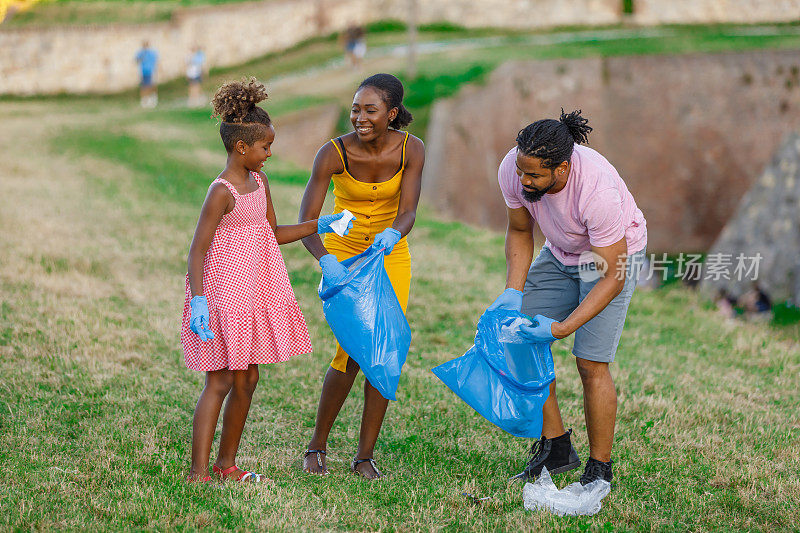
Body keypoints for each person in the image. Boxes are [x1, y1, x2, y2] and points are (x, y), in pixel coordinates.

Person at [181, 78, 352, 483]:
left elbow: (273, 233)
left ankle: (227, 465)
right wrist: (199, 300)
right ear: (242, 147)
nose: (269, 154)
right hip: (222, 293)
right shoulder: (221, 192)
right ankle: (198, 472)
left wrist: (321, 223)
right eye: (265, 147)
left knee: (249, 378)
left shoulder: (259, 182)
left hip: (255, 291)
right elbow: (197, 250)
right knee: (220, 379)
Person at [490, 109, 647, 486]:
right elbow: (519, 231)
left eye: (534, 175)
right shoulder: (514, 169)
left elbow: (610, 277)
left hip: (606, 260)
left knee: (590, 363)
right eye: (520, 171)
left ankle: (599, 468)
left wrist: (563, 327)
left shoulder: (597, 192)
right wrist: (513, 294)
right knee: (519, 337)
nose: (523, 180)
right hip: (561, 253)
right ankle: (557, 445)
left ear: (561, 169)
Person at [299, 73, 424, 479]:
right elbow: (308, 221)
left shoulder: (412, 149)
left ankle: (364, 457)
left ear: (391, 113)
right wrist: (326, 260)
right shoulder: (332, 153)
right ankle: (317, 445)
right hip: (345, 256)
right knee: (349, 351)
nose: (360, 117)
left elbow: (407, 211)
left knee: (384, 352)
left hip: (389, 255)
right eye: (355, 109)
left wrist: (395, 233)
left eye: (370, 110)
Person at [135, 41, 159, 108]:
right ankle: (144, 100)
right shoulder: (140, 53)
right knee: (143, 86)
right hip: (143, 71)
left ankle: (152, 98)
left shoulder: (152, 53)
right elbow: (136, 60)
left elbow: (156, 61)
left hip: (151, 71)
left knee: (151, 85)